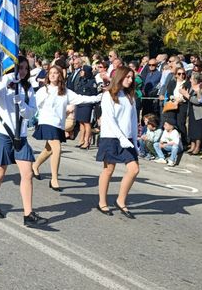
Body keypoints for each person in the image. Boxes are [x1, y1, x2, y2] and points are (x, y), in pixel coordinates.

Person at [0, 56, 48, 228]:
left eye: (26, 69)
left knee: (27, 174)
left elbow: (31, 113)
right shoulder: (5, 84)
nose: (23, 71)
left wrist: (23, 104)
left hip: (20, 136)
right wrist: (7, 79)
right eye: (20, 68)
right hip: (3, 133)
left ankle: (28, 214)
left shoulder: (28, 88)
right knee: (0, 171)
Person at [31, 65, 101, 190]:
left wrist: (98, 97)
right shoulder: (43, 90)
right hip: (47, 122)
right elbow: (34, 105)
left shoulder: (65, 91)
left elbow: (81, 99)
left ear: (60, 75)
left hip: (58, 123)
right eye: (51, 73)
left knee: (49, 149)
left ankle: (35, 165)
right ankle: (54, 179)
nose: (52, 75)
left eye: (55, 73)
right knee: (57, 148)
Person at [96, 66, 140, 218]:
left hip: (126, 139)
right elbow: (110, 119)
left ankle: (121, 200)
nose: (130, 80)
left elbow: (133, 120)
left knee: (134, 169)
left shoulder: (130, 97)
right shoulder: (108, 95)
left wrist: (134, 141)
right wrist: (121, 137)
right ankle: (102, 202)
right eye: (127, 77)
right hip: (111, 137)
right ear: (120, 77)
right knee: (108, 170)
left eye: (132, 77)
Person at [180, 72, 202, 155]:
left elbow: (198, 101)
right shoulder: (191, 87)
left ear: (196, 80)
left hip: (199, 111)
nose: (190, 80)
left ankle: (197, 148)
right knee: (191, 129)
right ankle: (192, 146)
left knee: (198, 130)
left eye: (192, 78)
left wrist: (186, 95)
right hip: (191, 110)